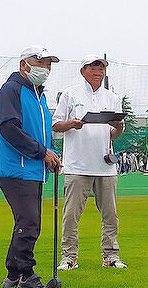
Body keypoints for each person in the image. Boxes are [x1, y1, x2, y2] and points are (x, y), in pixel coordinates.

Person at [0, 46, 62, 288]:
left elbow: (40, 131)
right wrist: (41, 152)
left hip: (32, 169)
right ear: (24, 64)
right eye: (40, 62)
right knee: (30, 223)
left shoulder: (39, 95)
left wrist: (51, 153)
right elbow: (9, 129)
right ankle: (27, 277)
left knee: (26, 222)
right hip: (16, 169)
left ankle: (13, 273)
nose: (46, 68)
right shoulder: (11, 90)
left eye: (49, 64)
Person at [52, 54, 127, 271]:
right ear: (83, 71)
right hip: (77, 166)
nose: (98, 72)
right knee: (71, 216)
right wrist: (73, 124)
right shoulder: (70, 94)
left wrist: (119, 126)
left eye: (101, 69)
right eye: (93, 68)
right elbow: (56, 125)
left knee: (110, 216)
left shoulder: (112, 97)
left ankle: (111, 256)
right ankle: (69, 257)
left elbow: (114, 134)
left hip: (105, 167)